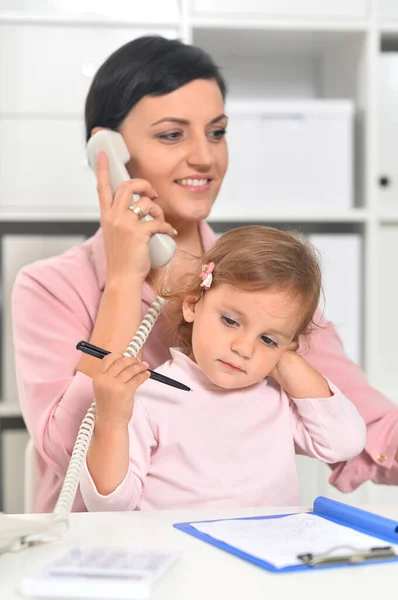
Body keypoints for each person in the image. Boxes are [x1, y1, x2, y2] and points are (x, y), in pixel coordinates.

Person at [11, 35, 398, 514]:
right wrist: (123, 282)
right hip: (108, 559)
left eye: (216, 132)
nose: (205, 157)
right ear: (106, 152)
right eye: (172, 134)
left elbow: (362, 418)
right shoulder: (50, 285)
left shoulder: (261, 281)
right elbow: (67, 447)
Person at [79, 225, 366, 511]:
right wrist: (112, 422)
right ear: (192, 304)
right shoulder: (147, 397)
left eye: (267, 339)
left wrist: (286, 361)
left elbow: (344, 443)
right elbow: (110, 508)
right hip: (182, 549)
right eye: (230, 321)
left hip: (263, 549)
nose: (243, 348)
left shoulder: (276, 400)